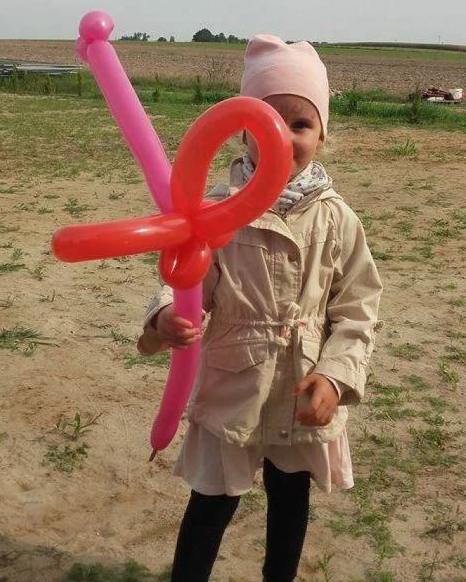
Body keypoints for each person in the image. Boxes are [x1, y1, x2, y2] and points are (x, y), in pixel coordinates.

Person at [137, 35, 383, 582]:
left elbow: (358, 308)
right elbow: (184, 278)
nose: (283, 137)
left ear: (322, 134)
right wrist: (164, 318)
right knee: (211, 503)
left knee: (290, 501)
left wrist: (335, 376)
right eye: (268, 120)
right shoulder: (215, 211)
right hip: (234, 383)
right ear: (242, 128)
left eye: (301, 124)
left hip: (301, 386)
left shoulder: (338, 219)